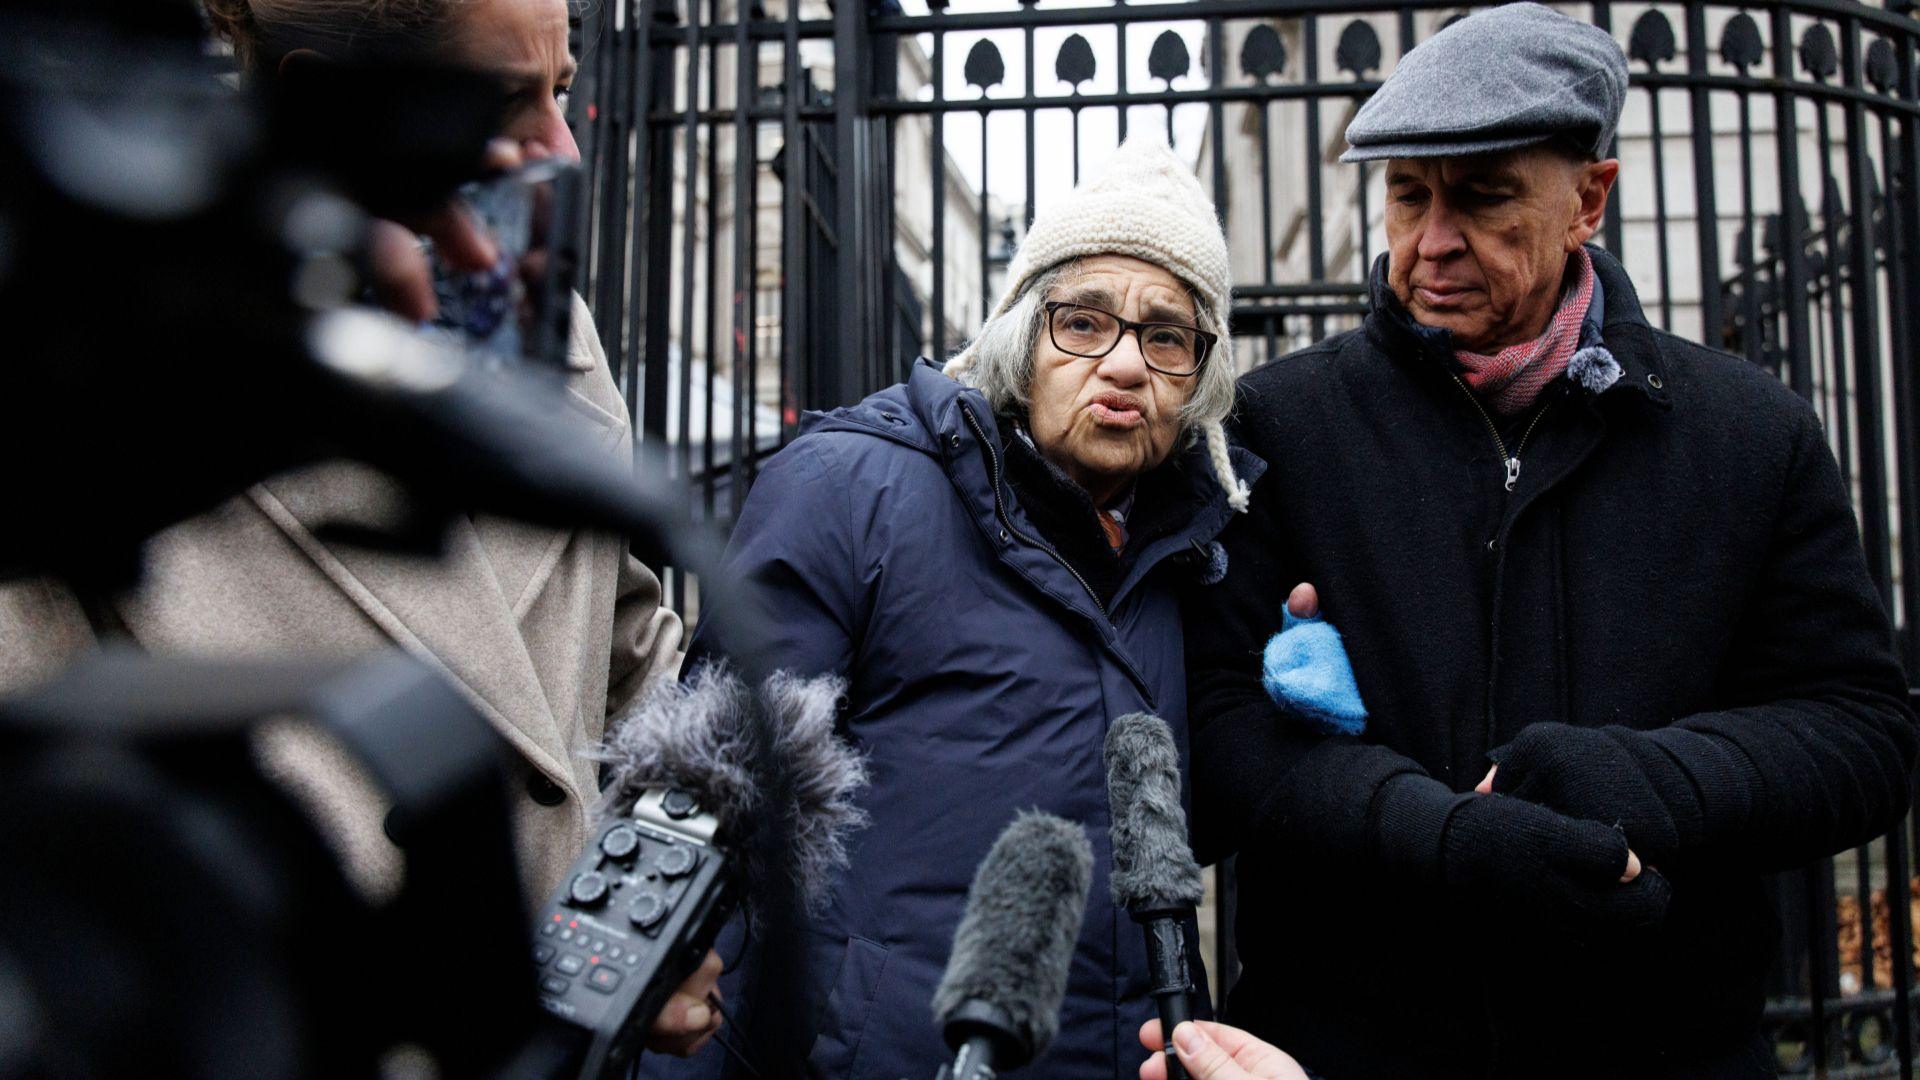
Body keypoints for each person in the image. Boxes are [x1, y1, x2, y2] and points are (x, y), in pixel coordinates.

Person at [1185, 4, 1917, 1077]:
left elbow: (1863, 734)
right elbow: (1211, 724)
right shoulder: (1280, 427)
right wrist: (1427, 830)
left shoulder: (1750, 434)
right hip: (1348, 1046)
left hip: (1661, 1048)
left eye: (1482, 199)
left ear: (1590, 198)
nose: (1432, 242)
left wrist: (1647, 780)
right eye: (1407, 196)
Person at [0, 0, 722, 1057]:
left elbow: (627, 648)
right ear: (324, 103)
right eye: (503, 99)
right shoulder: (97, 374)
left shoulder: (542, 318)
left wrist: (640, 926)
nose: (561, 150)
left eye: (562, 91)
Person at [654, 135, 1263, 1078]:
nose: (1126, 364)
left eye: (1167, 335)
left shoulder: (1205, 549)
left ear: (1200, 378)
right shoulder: (851, 485)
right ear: (1023, 332)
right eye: (1085, 321)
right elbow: (714, 809)